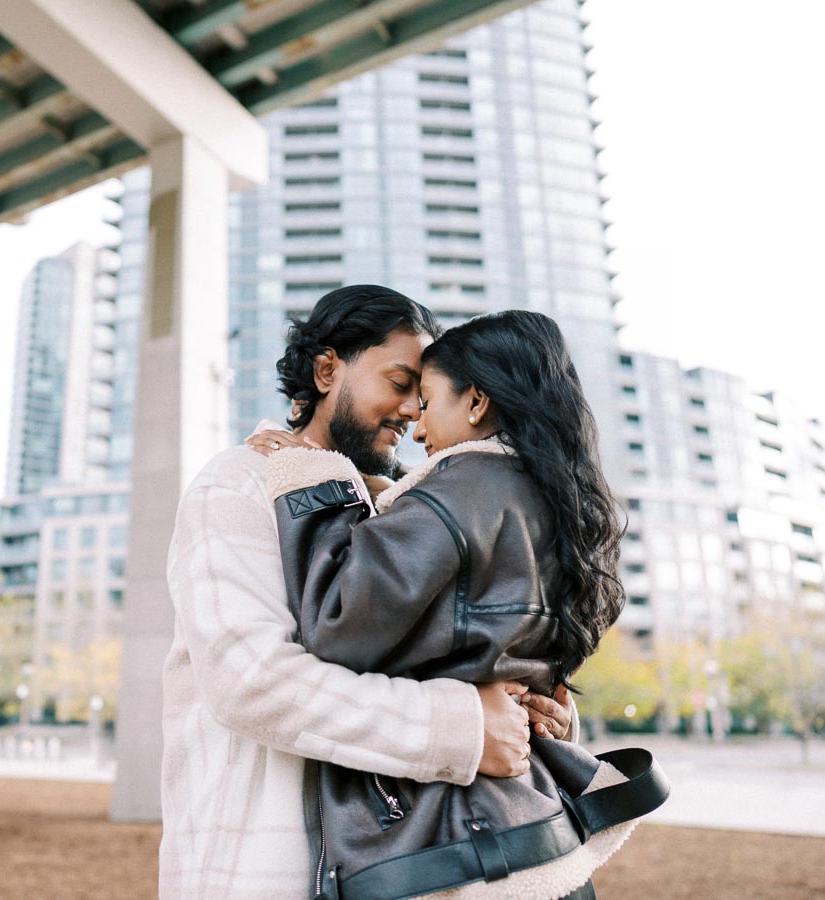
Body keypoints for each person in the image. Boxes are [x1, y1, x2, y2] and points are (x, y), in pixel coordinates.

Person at [159, 287, 577, 899]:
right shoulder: (239, 485)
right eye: (401, 381)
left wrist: (531, 714)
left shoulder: (421, 503)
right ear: (328, 370)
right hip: (265, 869)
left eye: (425, 392)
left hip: (412, 869)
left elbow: (472, 653)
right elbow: (252, 680)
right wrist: (464, 730)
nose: (414, 410)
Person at [250, 310, 668, 899]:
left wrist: (311, 483)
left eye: (425, 399)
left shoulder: (455, 490)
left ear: (474, 402)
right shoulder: (558, 503)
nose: (416, 427)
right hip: (539, 834)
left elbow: (338, 624)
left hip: (454, 852)